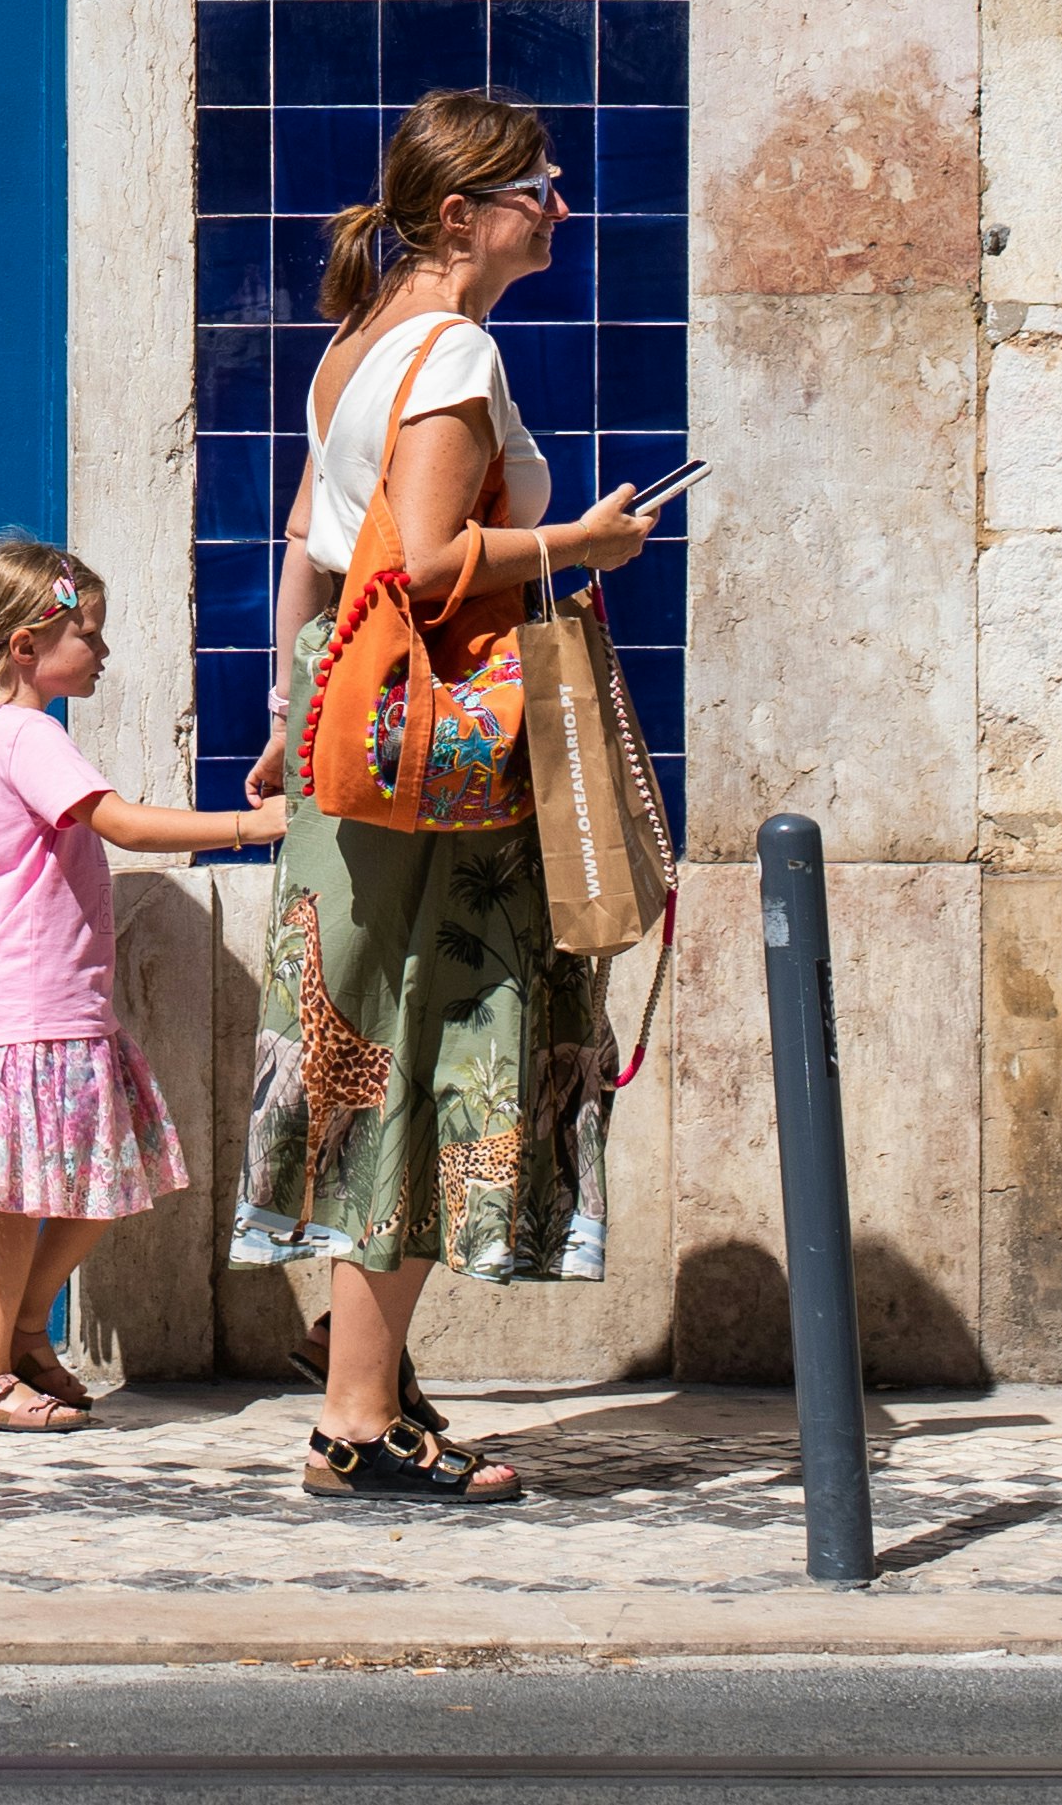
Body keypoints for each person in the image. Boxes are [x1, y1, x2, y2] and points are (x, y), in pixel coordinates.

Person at [231, 90, 657, 1509]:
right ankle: (359, 1418)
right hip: (440, 768)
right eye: (542, 187)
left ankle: (366, 1370)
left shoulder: (352, 351)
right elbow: (418, 562)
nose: (564, 209)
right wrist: (579, 541)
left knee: (374, 1042)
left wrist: (289, 721)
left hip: (358, 757)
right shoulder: (457, 347)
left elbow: (308, 555)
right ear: (463, 214)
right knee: (441, 1045)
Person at [0, 531, 285, 1434]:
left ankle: (17, 1330)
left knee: (102, 1180)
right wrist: (253, 827)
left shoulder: (3, 731)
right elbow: (123, 826)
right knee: (22, 1197)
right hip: (32, 1005)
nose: (103, 650)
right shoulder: (27, 733)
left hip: (62, 1002)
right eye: (88, 633)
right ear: (27, 646)